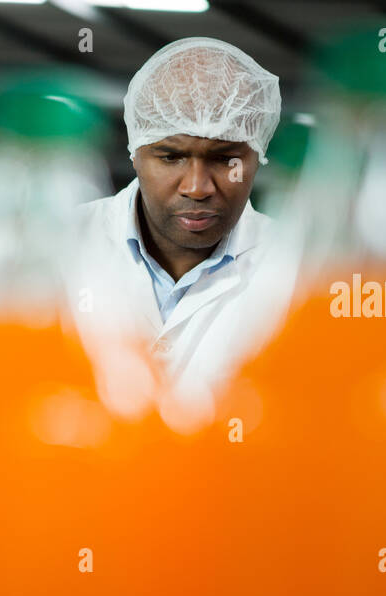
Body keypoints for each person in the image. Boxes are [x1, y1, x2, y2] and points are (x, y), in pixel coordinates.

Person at [77, 37, 282, 382]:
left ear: (257, 155)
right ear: (136, 152)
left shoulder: (301, 269)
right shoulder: (51, 245)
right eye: (171, 157)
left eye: (223, 159)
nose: (197, 188)